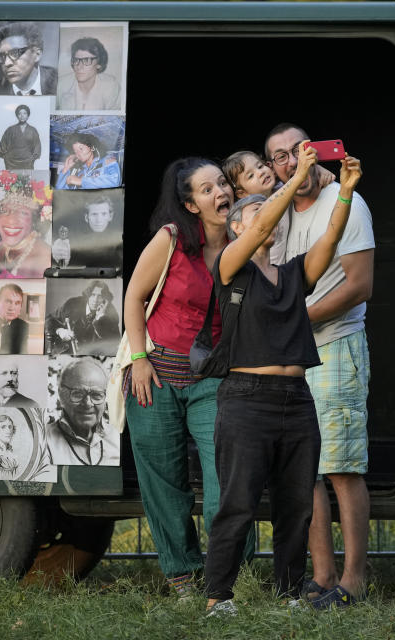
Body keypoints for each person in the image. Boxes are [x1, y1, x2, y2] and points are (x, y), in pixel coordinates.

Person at [203, 144, 362, 615]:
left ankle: (291, 593)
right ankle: (218, 597)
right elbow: (267, 223)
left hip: (296, 398)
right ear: (238, 228)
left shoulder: (292, 274)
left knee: (298, 506)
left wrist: (346, 193)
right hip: (246, 401)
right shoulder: (230, 268)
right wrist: (298, 179)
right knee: (238, 503)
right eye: (253, 213)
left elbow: (330, 242)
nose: (264, 220)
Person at [122, 156, 251, 597]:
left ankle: (230, 578)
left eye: (222, 184)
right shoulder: (172, 239)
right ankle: (183, 579)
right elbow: (135, 297)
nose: (221, 193)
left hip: (216, 376)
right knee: (164, 483)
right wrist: (139, 357)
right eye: (207, 189)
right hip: (154, 374)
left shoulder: (245, 238)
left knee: (228, 481)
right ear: (191, 204)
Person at [266, 123, 375, 607]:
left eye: (298, 151)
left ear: (314, 153)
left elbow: (359, 285)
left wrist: (294, 319)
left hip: (334, 347)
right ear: (272, 168)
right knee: (302, 471)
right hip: (292, 358)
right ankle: (323, 577)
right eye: (280, 157)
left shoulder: (344, 203)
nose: (291, 162)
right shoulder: (276, 211)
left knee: (342, 469)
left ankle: (355, 579)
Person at [46, 358, 119, 466]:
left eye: (96, 395)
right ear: (61, 395)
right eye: (78, 394)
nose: (88, 403)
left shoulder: (117, 438)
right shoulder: (43, 442)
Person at [0, 195, 51, 278]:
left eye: (23, 212)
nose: (12, 220)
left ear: (33, 220)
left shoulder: (46, 259)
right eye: (4, 211)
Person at [45, 280, 119, 356]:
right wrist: (60, 331)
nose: (95, 300)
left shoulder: (110, 313)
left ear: (105, 299)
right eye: (93, 295)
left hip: (92, 358)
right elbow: (48, 319)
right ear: (88, 294)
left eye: (100, 296)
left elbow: (114, 342)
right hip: (65, 353)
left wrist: (100, 318)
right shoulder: (72, 304)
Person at [0, 22, 56, 96]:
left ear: (37, 54)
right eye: (2, 56)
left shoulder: (58, 82)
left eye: (15, 53)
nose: (7, 63)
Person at [56, 36, 121, 111]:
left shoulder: (111, 87)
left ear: (98, 64)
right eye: (76, 60)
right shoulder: (60, 85)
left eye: (87, 60)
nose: (79, 67)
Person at [63, 194, 122, 268]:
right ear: (86, 217)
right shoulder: (75, 244)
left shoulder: (119, 242)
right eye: (94, 214)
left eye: (103, 214)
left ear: (110, 216)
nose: (99, 220)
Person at [55, 132, 121, 190]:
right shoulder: (80, 172)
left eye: (81, 148)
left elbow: (115, 182)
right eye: (75, 151)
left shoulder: (107, 161)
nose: (78, 154)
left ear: (92, 147)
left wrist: (81, 181)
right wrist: (66, 169)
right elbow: (60, 190)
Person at [0, 104, 41, 170]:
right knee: (12, 179)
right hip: (11, 163)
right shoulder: (10, 130)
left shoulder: (33, 130)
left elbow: (37, 147)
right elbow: (3, 146)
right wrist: (7, 157)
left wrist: (32, 159)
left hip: (28, 163)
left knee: (27, 179)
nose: (22, 116)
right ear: (17, 115)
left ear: (28, 115)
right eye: (19, 113)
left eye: (24, 113)